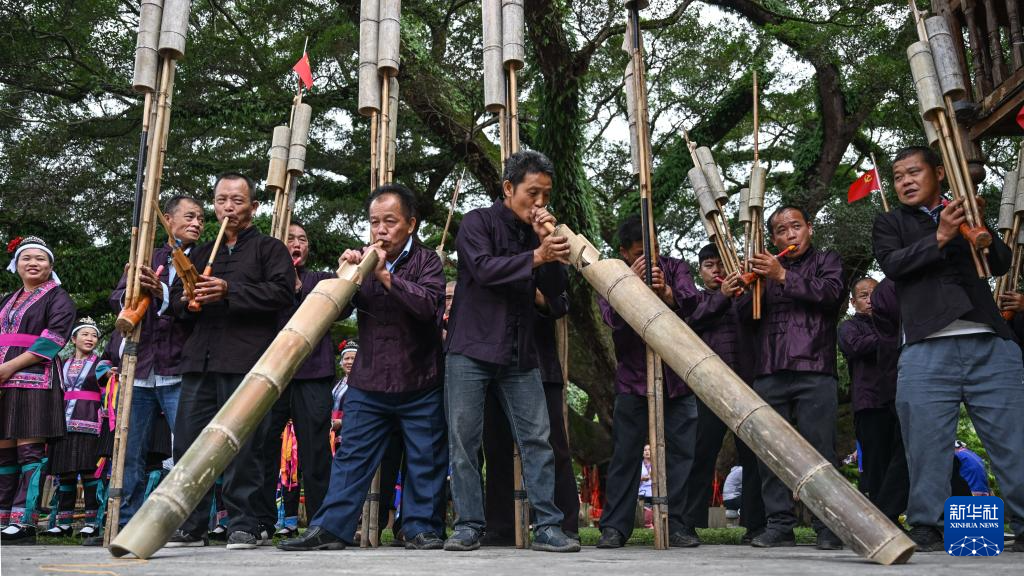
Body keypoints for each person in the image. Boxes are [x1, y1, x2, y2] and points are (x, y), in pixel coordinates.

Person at [280, 184, 448, 551]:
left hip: (420, 379)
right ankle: (330, 529)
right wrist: (345, 275)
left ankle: (421, 528)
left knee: (426, 458)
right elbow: (335, 311)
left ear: (411, 224)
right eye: (374, 222)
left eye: (390, 221)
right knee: (351, 458)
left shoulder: (428, 261)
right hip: (368, 381)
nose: (381, 230)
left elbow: (429, 308)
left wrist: (386, 276)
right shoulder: (362, 260)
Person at [873, 146, 1024, 552]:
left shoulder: (963, 211)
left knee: (1013, 440)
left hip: (989, 342)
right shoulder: (890, 222)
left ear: (939, 173)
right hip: (925, 346)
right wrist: (939, 235)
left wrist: (978, 225)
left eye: (914, 172)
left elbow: (1000, 263)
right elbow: (893, 264)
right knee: (925, 443)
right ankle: (928, 524)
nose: (905, 181)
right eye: (898, 176)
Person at [443, 150, 578, 553]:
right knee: (465, 441)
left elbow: (556, 293)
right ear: (508, 188)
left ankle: (548, 526)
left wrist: (547, 247)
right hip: (470, 347)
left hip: (521, 352)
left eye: (546, 195)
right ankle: (468, 525)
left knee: (538, 440)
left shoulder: (541, 234)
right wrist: (537, 256)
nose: (539, 203)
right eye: (532, 193)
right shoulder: (476, 222)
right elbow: (483, 269)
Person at [167, 172, 295, 549]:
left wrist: (229, 290)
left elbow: (282, 294)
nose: (228, 208)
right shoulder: (200, 252)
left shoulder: (270, 248)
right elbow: (176, 303)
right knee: (189, 444)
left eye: (237, 201)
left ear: (253, 207)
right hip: (200, 361)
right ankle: (191, 524)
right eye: (222, 200)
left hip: (246, 362)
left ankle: (244, 523)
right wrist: (187, 300)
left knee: (245, 445)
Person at [722, 205, 845, 550]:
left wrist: (782, 276)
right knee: (770, 451)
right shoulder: (764, 269)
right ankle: (779, 524)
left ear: (809, 228)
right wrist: (745, 287)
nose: (790, 234)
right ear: (773, 238)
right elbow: (745, 318)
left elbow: (831, 295)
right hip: (769, 369)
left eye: (796, 226)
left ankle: (828, 525)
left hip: (815, 368)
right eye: (781, 230)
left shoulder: (827, 260)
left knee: (820, 450)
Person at [595, 214, 700, 549]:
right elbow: (612, 318)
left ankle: (678, 524)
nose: (649, 258)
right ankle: (615, 527)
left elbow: (693, 304)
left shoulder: (676, 268)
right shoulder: (610, 274)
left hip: (677, 376)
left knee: (681, 453)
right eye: (641, 253)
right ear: (625, 252)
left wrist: (666, 292)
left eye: (653, 249)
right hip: (633, 380)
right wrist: (633, 286)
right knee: (626, 454)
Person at [108, 194, 203, 534]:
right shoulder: (144, 255)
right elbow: (117, 298)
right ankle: (124, 521)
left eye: (200, 219)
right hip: (140, 366)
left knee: (187, 449)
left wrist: (163, 293)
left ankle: (185, 523)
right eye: (189, 216)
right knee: (129, 449)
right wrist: (134, 290)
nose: (196, 223)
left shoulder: (205, 258)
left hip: (178, 367)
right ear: (168, 219)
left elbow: (198, 309)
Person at [681, 244, 765, 544]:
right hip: (708, 389)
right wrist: (722, 296)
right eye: (709, 265)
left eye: (720, 264)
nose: (716, 270)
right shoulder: (695, 299)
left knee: (753, 457)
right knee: (701, 455)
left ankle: (756, 525)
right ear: (700, 271)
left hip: (746, 387)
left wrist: (741, 291)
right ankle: (687, 524)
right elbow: (691, 322)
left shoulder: (746, 296)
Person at [257, 222, 336, 537]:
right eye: (289, 238)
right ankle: (261, 520)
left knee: (315, 449)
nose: (296, 243)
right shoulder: (264, 278)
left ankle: (320, 521)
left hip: (313, 373)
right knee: (264, 444)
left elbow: (343, 306)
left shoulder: (321, 279)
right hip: (272, 373)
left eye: (302, 239)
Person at [482, 287, 578, 545]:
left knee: (551, 445)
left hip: (540, 365)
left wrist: (535, 293)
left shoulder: (546, 264)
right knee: (496, 447)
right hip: (493, 363)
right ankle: (501, 526)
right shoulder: (486, 264)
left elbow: (561, 302)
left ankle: (563, 523)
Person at [0, 236, 76, 544]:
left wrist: (9, 366)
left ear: (50, 265)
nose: (33, 263)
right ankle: (3, 517)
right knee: (4, 455)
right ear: (16, 265)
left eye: (40, 258)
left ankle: (25, 521)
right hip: (3, 381)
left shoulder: (58, 297)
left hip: (35, 380)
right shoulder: (7, 299)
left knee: (29, 452)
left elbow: (53, 340)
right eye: (26, 258)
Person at [838, 277, 908, 524]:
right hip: (870, 404)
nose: (871, 301)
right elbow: (855, 347)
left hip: (899, 401)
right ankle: (883, 524)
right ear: (853, 302)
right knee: (876, 465)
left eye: (875, 295)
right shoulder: (849, 327)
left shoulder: (898, 323)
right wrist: (890, 334)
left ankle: (895, 515)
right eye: (864, 296)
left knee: (903, 458)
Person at [43, 317, 113, 539]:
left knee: (89, 472)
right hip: (63, 423)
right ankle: (64, 523)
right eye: (85, 334)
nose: (90, 338)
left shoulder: (102, 365)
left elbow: (110, 386)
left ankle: (92, 522)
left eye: (94, 335)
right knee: (66, 473)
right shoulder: (62, 364)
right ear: (73, 339)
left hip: (90, 423)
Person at [331, 341, 358, 452]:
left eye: (353, 358)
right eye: (346, 358)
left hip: (353, 430)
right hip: (334, 430)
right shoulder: (337, 383)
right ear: (341, 362)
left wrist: (342, 422)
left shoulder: (363, 385)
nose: (350, 362)